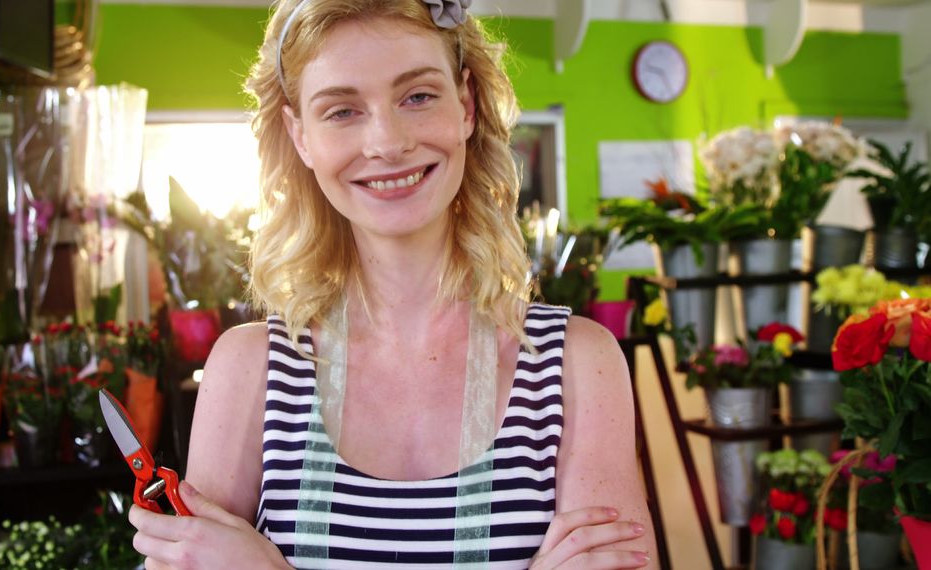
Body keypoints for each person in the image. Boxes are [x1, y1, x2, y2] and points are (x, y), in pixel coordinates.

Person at [128, 0, 658, 568]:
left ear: (467, 106)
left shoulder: (576, 364)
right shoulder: (249, 372)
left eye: (418, 96)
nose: (386, 142)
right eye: (341, 111)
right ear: (299, 134)